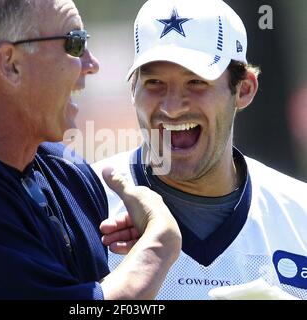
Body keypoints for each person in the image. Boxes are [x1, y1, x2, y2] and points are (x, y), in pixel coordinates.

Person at [0, 0, 181, 299]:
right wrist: (160, 241)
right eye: (75, 44)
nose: (92, 64)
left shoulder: (68, 170)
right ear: (10, 64)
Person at [92, 0, 307, 300]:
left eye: (196, 82)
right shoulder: (81, 208)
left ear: (243, 89)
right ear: (133, 89)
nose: (172, 108)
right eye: (154, 82)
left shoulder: (300, 216)